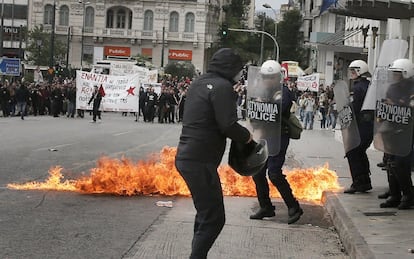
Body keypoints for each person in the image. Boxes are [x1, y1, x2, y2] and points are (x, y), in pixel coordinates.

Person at [175, 48, 257, 258]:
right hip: (199, 161)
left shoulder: (198, 82)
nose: (240, 74)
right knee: (214, 219)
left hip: (189, 158)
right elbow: (228, 125)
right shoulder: (222, 87)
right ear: (230, 68)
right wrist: (248, 137)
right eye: (239, 70)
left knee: (205, 215)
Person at [249, 60, 303, 224]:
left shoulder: (283, 92)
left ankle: (294, 206)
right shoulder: (261, 91)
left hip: (278, 137)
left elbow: (279, 108)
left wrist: (263, 103)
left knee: (274, 173)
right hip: (264, 136)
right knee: (258, 173)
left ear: (278, 77)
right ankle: (266, 207)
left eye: (271, 77)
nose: (267, 80)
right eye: (265, 77)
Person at [375, 58, 414, 209]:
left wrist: (398, 104)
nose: (394, 76)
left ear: (405, 73)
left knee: (401, 164)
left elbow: (410, 107)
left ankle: (408, 195)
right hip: (392, 130)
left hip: (408, 131)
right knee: (390, 163)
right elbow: (386, 104)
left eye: (397, 73)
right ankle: (394, 194)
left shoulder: (412, 88)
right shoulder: (392, 88)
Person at [343, 60, 374, 194]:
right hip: (369, 125)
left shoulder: (358, 87)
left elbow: (355, 107)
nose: (351, 73)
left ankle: (358, 182)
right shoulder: (369, 85)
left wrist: (346, 111)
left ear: (360, 71)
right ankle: (365, 180)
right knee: (360, 152)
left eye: (353, 71)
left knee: (352, 152)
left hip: (361, 125)